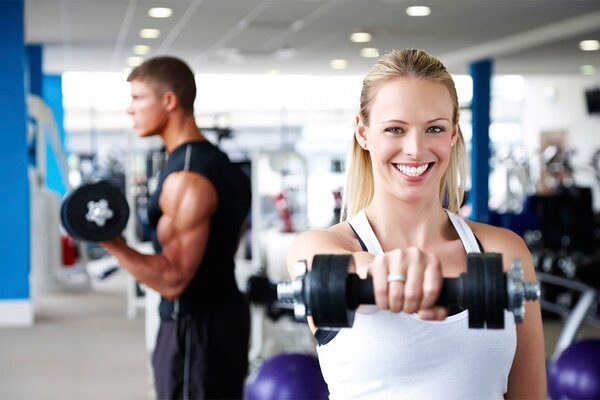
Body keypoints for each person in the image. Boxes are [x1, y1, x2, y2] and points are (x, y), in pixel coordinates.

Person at [287, 49, 547, 399]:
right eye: (395, 129)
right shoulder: (321, 248)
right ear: (363, 133)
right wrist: (391, 271)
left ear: (453, 134)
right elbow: (342, 270)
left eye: (434, 128)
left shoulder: (503, 251)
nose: (415, 148)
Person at [101, 56, 251, 399]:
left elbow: (173, 279)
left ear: (169, 101)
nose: (130, 110)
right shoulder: (218, 164)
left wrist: (111, 243)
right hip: (223, 316)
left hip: (194, 330)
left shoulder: (188, 177)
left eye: (138, 98)